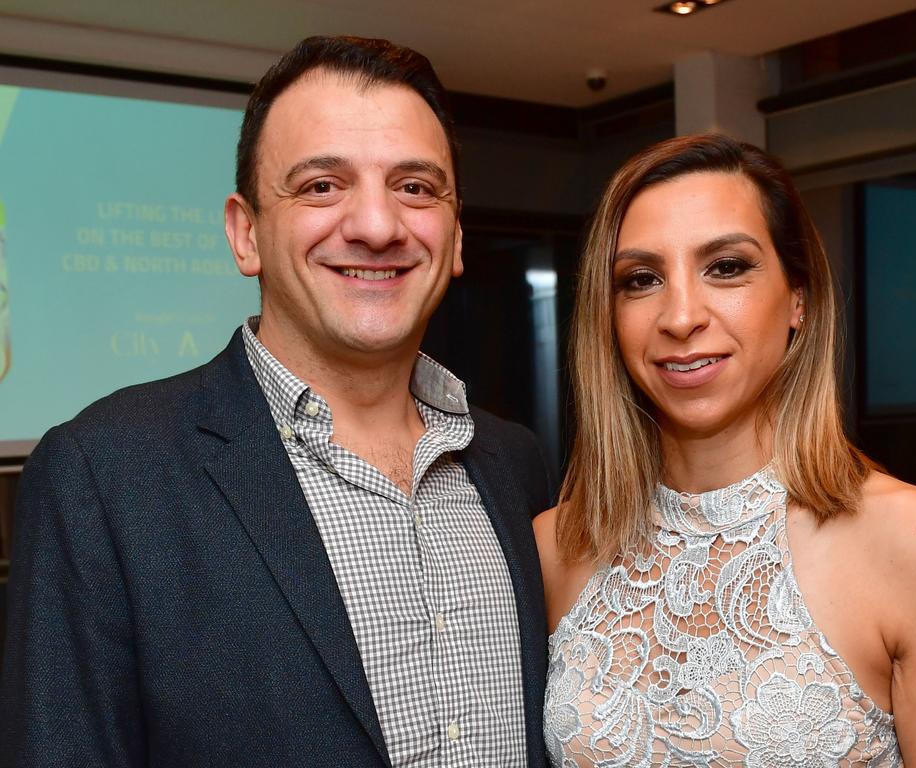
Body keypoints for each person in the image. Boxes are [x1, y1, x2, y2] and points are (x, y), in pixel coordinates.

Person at [1, 36, 553, 767]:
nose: (378, 226)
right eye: (322, 185)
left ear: (455, 237)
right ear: (246, 233)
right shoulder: (104, 474)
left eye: (415, 187)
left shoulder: (517, 465)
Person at [534, 134, 916, 767]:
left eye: (726, 267)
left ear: (798, 299)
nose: (680, 316)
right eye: (641, 279)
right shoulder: (558, 546)